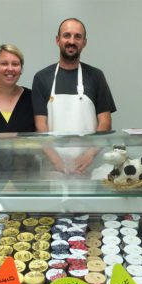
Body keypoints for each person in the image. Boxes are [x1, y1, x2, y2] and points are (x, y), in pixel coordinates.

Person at [32, 18, 116, 174]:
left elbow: (105, 122)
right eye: (67, 35)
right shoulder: (42, 78)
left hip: (88, 167)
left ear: (84, 43)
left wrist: (88, 156)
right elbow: (40, 125)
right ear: (58, 40)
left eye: (77, 37)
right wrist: (57, 161)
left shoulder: (96, 76)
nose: (72, 41)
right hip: (53, 168)